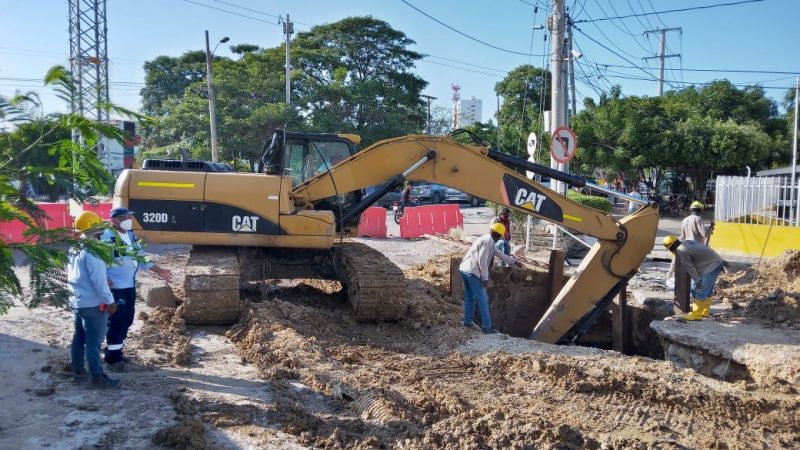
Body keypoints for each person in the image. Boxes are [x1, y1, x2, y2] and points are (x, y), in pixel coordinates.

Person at [101, 207, 172, 371]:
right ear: (115, 220)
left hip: (129, 285)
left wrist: (159, 270)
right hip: (116, 287)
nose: (129, 220)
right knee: (117, 320)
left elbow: (141, 257)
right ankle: (112, 359)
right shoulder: (107, 236)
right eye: (125, 217)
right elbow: (99, 260)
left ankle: (117, 351)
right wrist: (103, 279)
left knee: (127, 319)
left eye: (129, 217)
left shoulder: (130, 235)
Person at [68, 211, 120, 388]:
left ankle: (78, 373)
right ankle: (97, 377)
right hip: (92, 303)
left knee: (79, 338)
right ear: (96, 229)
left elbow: (80, 276)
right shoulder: (93, 250)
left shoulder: (75, 248)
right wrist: (110, 300)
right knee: (93, 342)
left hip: (78, 301)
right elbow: (97, 280)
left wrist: (103, 279)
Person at [459, 222, 517, 334]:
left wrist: (512, 261)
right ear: (498, 235)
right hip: (473, 272)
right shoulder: (487, 242)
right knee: (483, 299)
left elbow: (498, 253)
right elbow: (482, 260)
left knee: (470, 297)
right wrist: (485, 278)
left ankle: (467, 322)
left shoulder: (488, 240)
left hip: (465, 269)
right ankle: (486, 327)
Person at [663, 235, 725, 321]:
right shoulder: (685, 243)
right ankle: (704, 312)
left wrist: (697, 280)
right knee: (702, 289)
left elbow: (689, 267)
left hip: (712, 266)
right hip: (715, 263)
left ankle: (696, 315)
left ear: (671, 246)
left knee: (701, 290)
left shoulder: (681, 250)